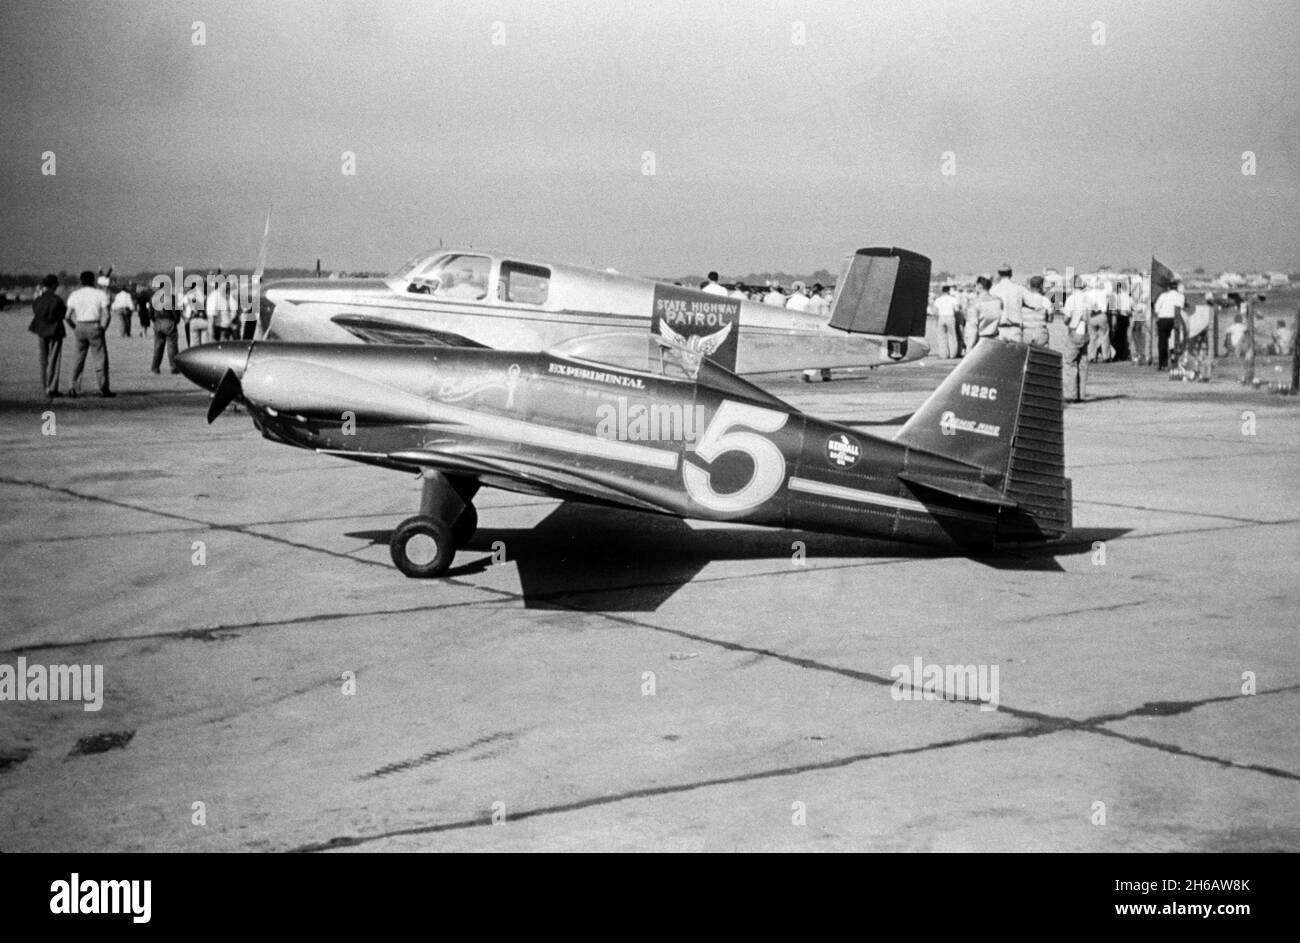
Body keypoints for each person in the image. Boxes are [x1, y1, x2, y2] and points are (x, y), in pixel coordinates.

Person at [65, 270, 115, 397]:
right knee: (100, 359)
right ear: (93, 280)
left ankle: (72, 387)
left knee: (78, 358)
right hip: (94, 325)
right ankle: (103, 388)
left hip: (80, 325)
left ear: (81, 281)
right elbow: (107, 315)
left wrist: (75, 327)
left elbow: (67, 316)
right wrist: (103, 328)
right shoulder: (100, 294)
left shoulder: (74, 294)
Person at [29, 274, 67, 398]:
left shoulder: (38, 300)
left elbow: (36, 312)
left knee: (43, 361)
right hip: (55, 330)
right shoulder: (57, 300)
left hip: (41, 331)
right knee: (54, 361)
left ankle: (44, 386)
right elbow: (63, 314)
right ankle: (52, 388)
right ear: (54, 285)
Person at [1061, 276, 1092, 402]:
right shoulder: (1087, 298)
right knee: (1083, 364)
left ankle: (1070, 394)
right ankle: (1081, 394)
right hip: (1085, 332)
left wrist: (1068, 323)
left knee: (1069, 363)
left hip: (1075, 332)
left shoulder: (1071, 298)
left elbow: (1066, 317)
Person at [1153, 278, 1185, 370]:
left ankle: (1162, 363)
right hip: (1175, 319)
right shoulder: (1181, 296)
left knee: (1162, 342)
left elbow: (1157, 308)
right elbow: (1181, 307)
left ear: (1168, 288)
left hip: (1163, 319)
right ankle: (1176, 361)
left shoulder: (1163, 295)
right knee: (1176, 340)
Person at [990, 265, 1028, 343]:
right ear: (1011, 274)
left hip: (999, 330)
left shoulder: (993, 290)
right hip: (1015, 329)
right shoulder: (1019, 289)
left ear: (999, 274)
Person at [150, 290, 182, 373]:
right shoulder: (172, 297)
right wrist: (176, 321)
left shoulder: (154, 297)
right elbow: (175, 311)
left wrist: (154, 321)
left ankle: (155, 367)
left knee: (157, 347)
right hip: (169, 321)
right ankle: (174, 367)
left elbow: (150, 312)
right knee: (172, 346)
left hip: (158, 322)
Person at [971, 276, 1002, 347]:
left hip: (981, 340)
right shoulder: (998, 301)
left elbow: (972, 328)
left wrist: (969, 347)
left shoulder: (975, 303)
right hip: (995, 339)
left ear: (979, 286)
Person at [1021, 275, 1052, 348]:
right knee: (1043, 356)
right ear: (1041, 286)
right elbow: (1050, 319)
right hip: (1040, 332)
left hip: (1026, 331)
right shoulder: (1045, 300)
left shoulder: (1024, 299)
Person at [1086, 279, 1112, 362]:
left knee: (1092, 337)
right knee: (1104, 336)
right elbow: (1110, 291)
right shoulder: (1103, 292)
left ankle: (1091, 357)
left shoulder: (1087, 294)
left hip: (1091, 316)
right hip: (1102, 315)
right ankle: (1106, 356)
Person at [931, 284, 960, 358]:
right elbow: (957, 310)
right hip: (950, 316)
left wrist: (936, 320)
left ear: (942, 291)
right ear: (949, 291)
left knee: (941, 337)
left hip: (941, 317)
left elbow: (935, 311)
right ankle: (953, 354)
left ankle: (943, 354)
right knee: (952, 336)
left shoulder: (938, 299)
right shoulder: (953, 299)